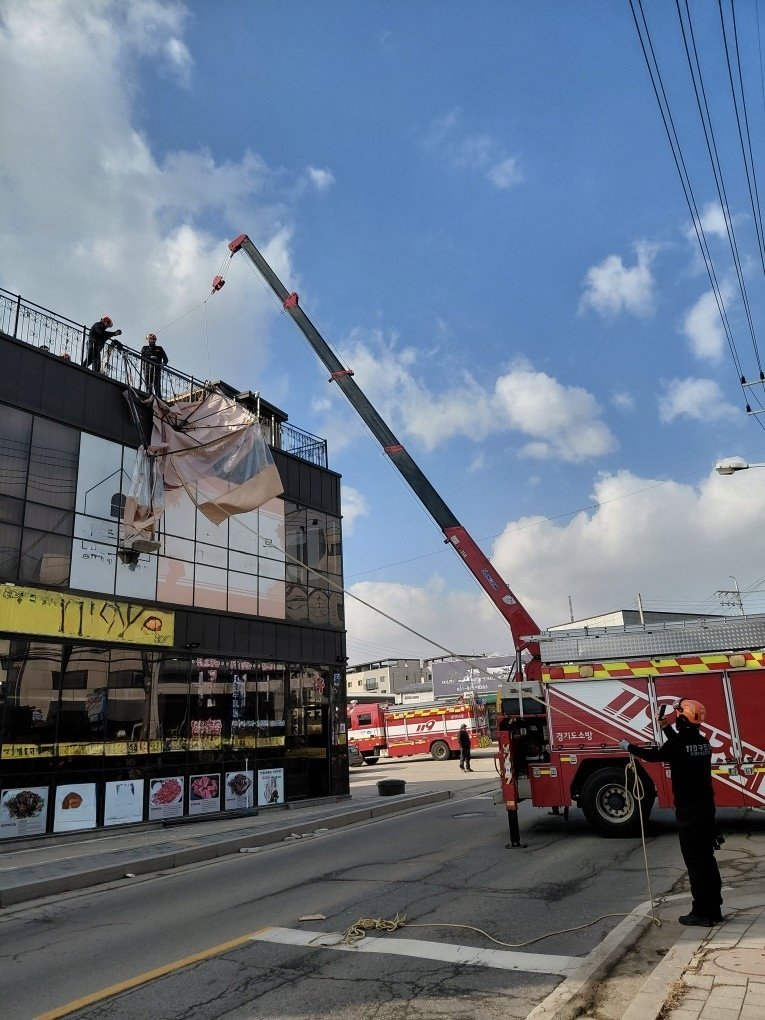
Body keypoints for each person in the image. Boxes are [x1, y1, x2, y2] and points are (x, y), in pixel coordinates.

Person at [620, 699, 723, 927]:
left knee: (695, 863)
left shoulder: (679, 745)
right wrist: (665, 726)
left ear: (684, 719)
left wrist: (629, 747)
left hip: (689, 813)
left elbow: (655, 755)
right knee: (707, 860)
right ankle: (714, 908)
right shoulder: (703, 743)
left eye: (678, 715)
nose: (676, 718)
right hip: (706, 810)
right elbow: (680, 746)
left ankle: (703, 913)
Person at [140, 332, 168, 397]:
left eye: (154, 339)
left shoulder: (159, 348)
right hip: (147, 370)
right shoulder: (145, 348)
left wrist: (163, 364)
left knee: (157, 386)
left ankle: (159, 400)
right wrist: (150, 357)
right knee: (148, 386)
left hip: (157, 370)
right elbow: (142, 357)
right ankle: (149, 398)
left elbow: (165, 359)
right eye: (151, 339)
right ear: (148, 340)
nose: (152, 340)